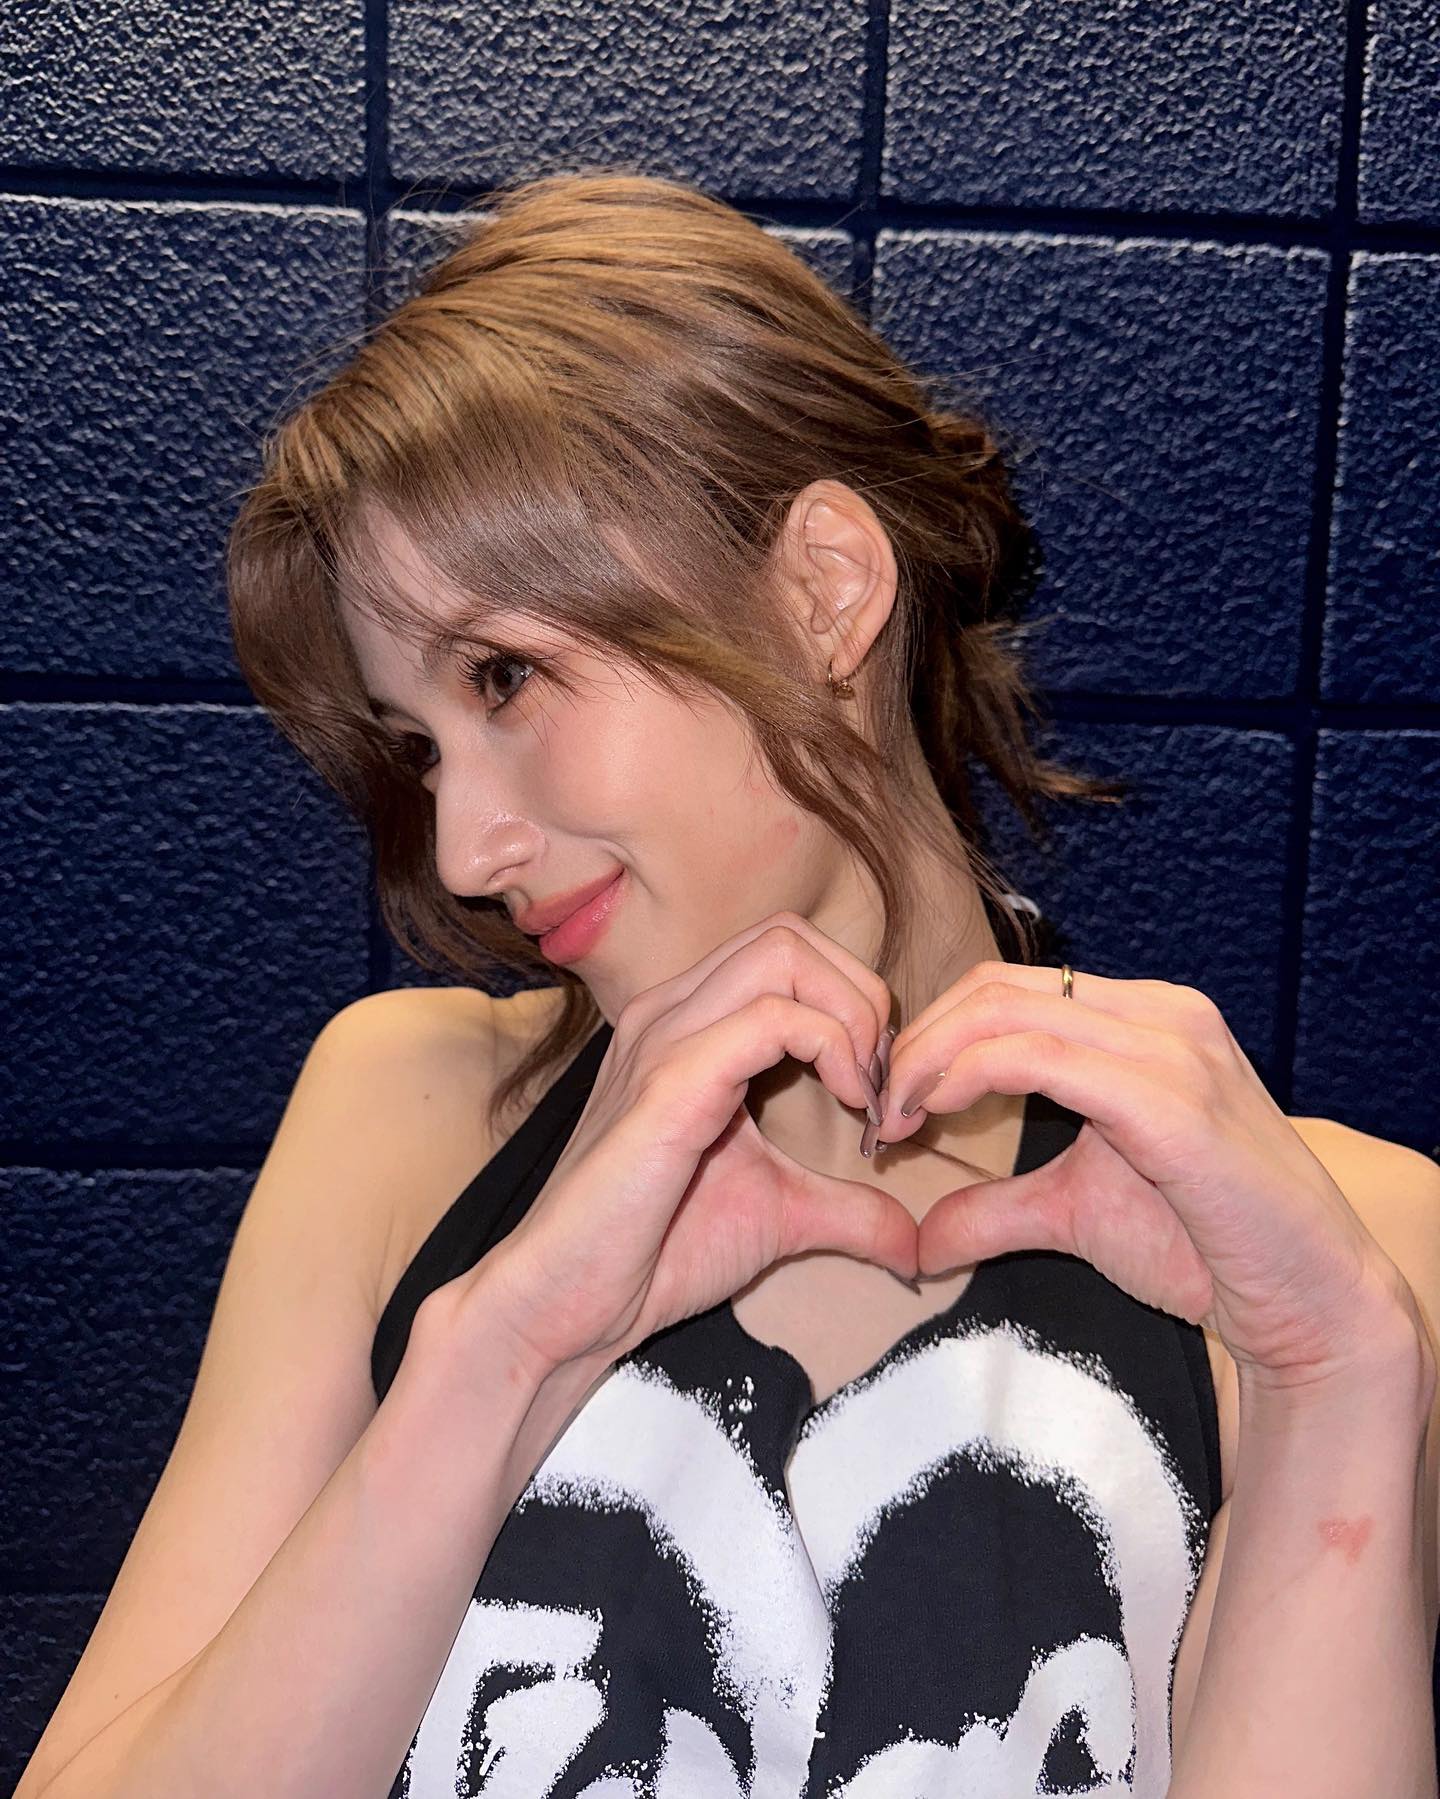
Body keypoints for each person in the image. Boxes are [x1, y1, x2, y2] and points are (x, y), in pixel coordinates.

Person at [18, 169, 1439, 1799]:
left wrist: (1339, 1378)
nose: (465, 850)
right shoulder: (411, 1119)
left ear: (825, 589)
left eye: (507, 676)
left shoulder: (1354, 1249)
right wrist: (503, 1351)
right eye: (421, 746)